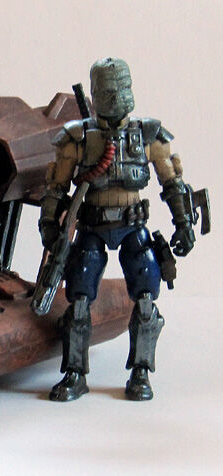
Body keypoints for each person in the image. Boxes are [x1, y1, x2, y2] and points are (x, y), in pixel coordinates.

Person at [38, 57, 198, 401]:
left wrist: (184, 223)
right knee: (79, 301)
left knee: (146, 299)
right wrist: (49, 224)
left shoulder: (149, 135)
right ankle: (74, 373)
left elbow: (173, 183)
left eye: (120, 87)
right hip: (92, 227)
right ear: (96, 92)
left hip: (132, 227)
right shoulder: (78, 138)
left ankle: (141, 372)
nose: (114, 95)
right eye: (108, 90)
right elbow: (56, 187)